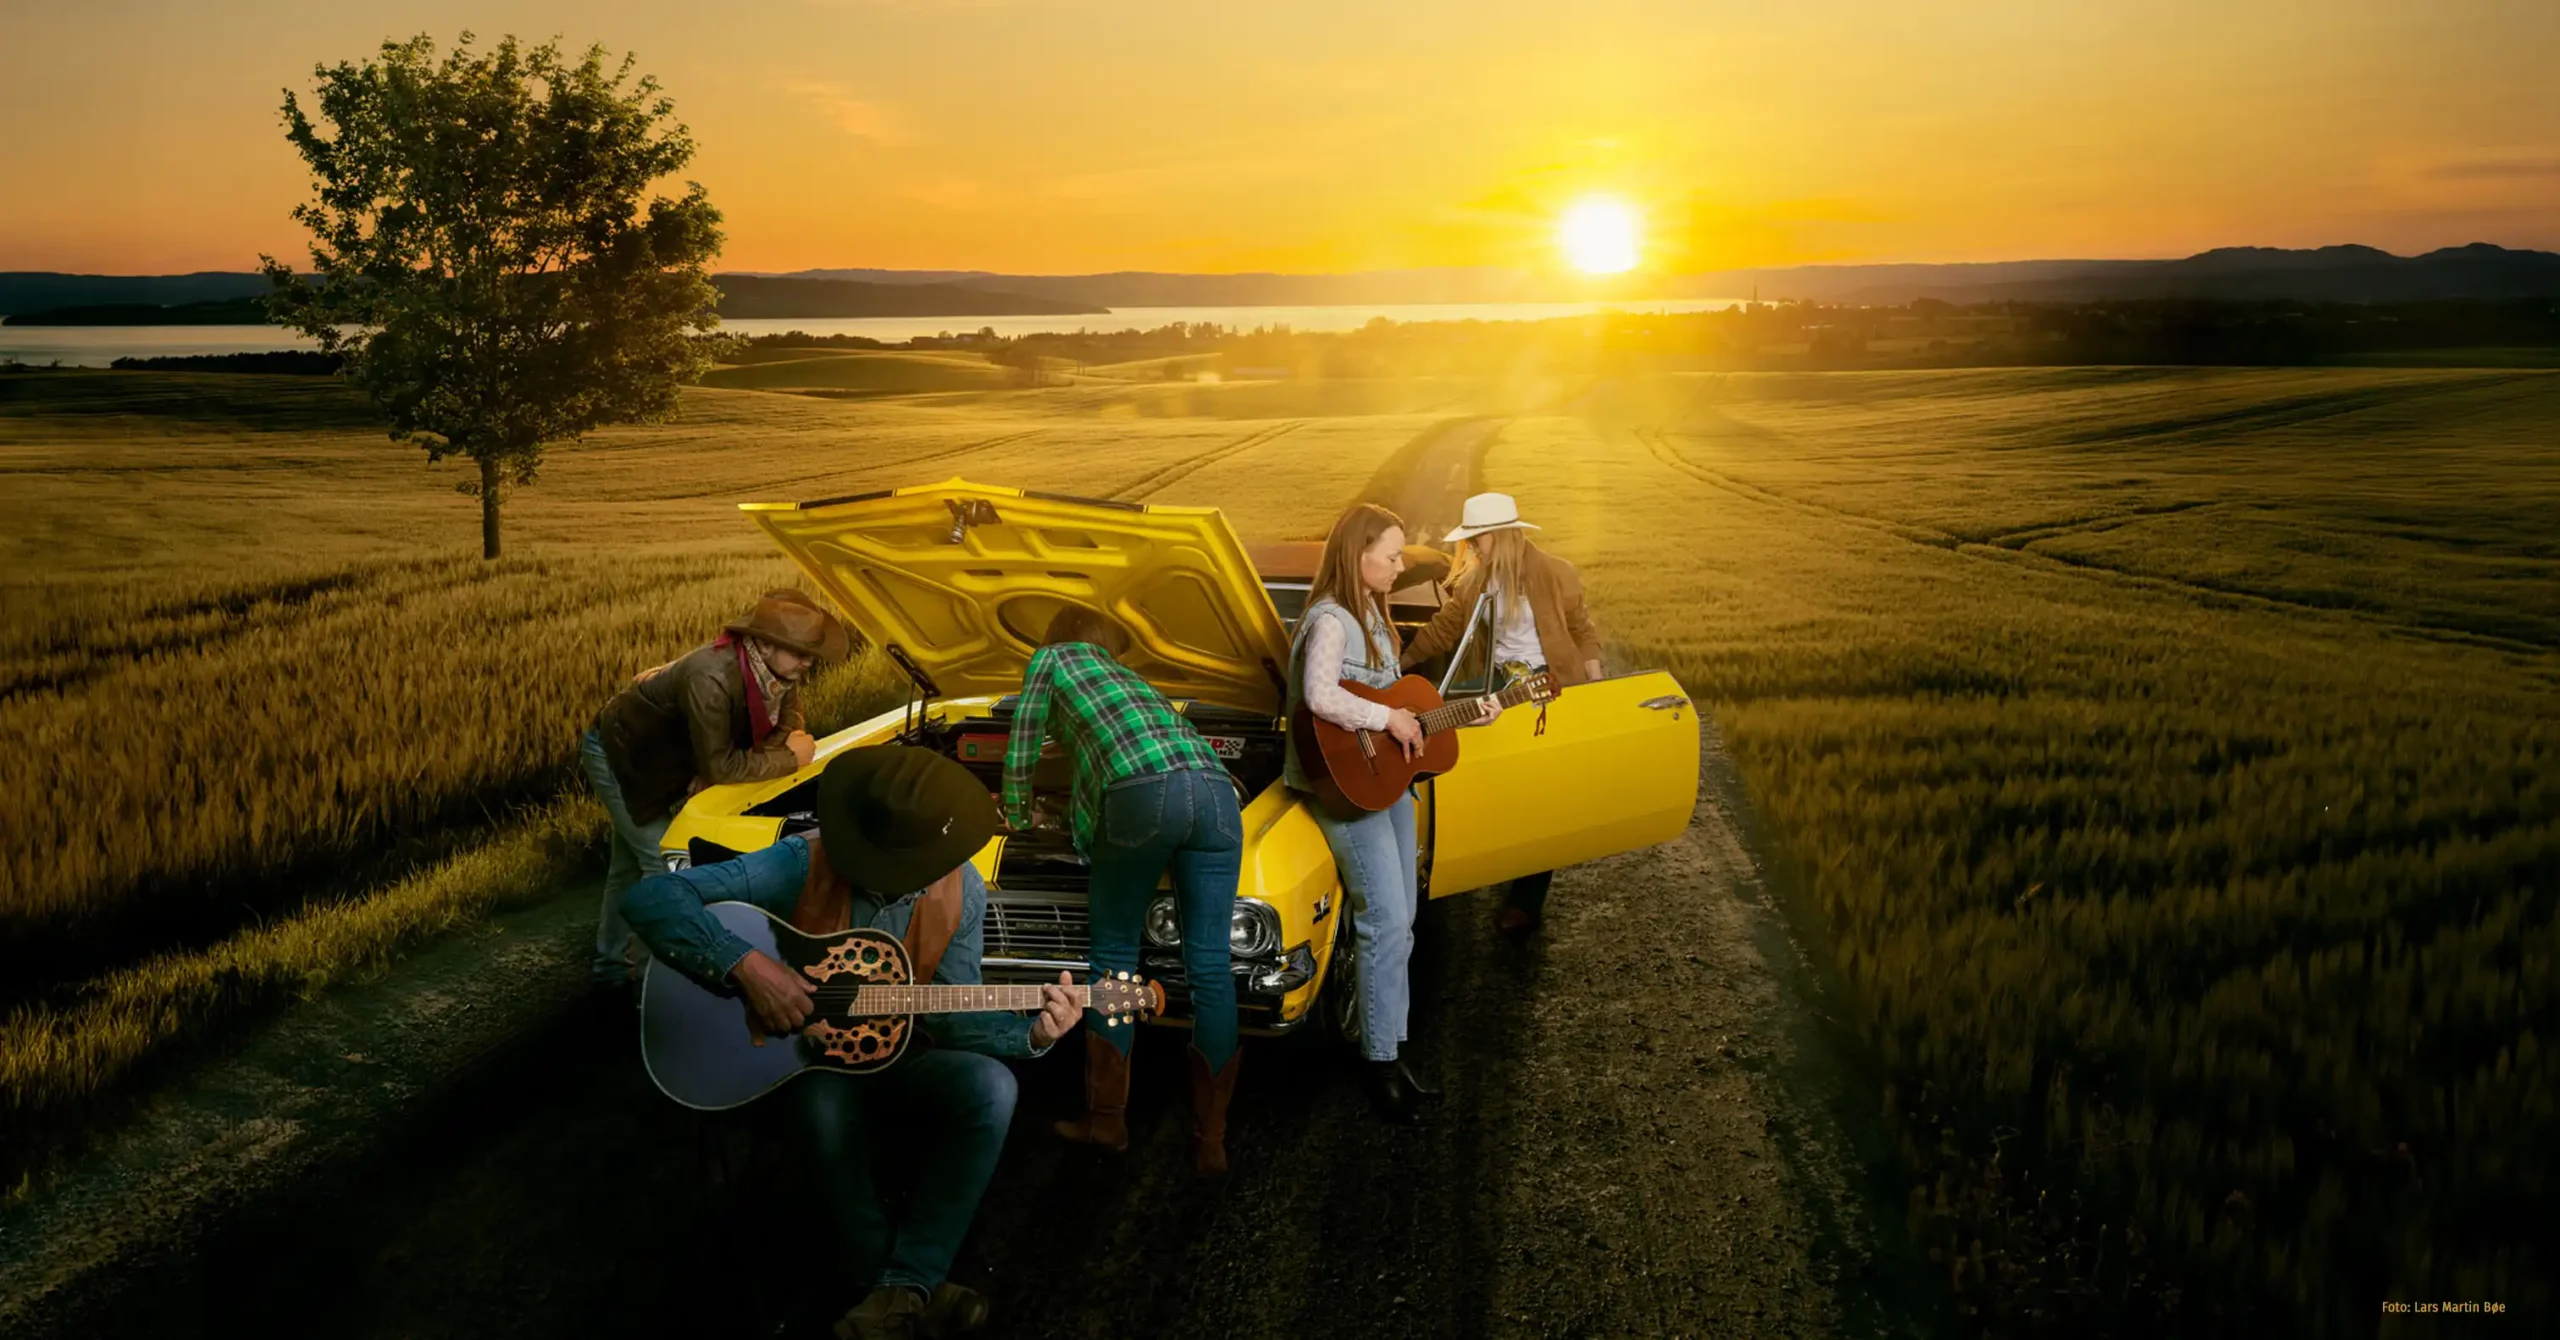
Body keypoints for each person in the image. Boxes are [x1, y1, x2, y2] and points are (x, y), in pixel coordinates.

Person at [619, 745, 1081, 1340]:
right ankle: (893, 1288)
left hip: (897, 1054)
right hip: (795, 1062)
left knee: (992, 1087)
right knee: (824, 1105)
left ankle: (904, 1284)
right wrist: (749, 968)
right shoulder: (802, 860)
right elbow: (650, 897)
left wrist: (1033, 1032)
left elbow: (953, 1017)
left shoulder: (960, 888)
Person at [1000, 606, 1245, 1177]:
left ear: (1058, 637)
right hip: (1217, 795)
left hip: (1145, 796)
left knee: (1112, 960)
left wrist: (1018, 814)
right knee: (1211, 968)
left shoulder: (1052, 658)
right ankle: (1211, 1141)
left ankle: (1107, 1121)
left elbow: (1023, 742)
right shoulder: (1133, 681)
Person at [1283, 502, 1497, 1124]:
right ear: (1359, 555)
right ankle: (1380, 1063)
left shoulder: (1375, 618)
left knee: (1403, 921)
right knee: (1382, 919)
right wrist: (1387, 717)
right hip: (1345, 790)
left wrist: (1463, 714)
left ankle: (1392, 1047)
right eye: (1393, 555)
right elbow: (1321, 695)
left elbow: (1399, 710)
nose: (1402, 567)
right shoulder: (1331, 621)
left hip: (1385, 784)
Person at [583, 589, 846, 986]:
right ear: (765, 644)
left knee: (629, 866)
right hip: (622, 757)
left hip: (669, 759)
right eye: (798, 652)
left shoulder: (777, 674)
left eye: (810, 653)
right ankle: (661, 986)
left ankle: (612, 969)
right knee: (662, 866)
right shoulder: (710, 677)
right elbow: (724, 763)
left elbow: (788, 722)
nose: (807, 662)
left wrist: (729, 763)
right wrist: (789, 759)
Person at [1400, 493, 1606, 940]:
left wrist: (1596, 689)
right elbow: (1444, 629)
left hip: (1549, 690)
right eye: (1471, 540)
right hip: (1497, 690)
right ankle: (1488, 860)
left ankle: (1526, 901)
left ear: (1502, 535)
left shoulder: (1556, 572)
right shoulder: (1476, 579)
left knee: (1542, 794)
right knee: (1496, 781)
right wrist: (1401, 663)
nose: (1472, 547)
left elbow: (1582, 630)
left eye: (1478, 539)